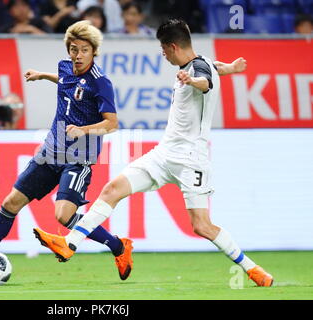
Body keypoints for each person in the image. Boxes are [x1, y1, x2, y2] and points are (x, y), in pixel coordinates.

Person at [33, 19, 274, 287]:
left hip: (191, 161)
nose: (162, 53)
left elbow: (205, 81)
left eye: (163, 48)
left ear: (172, 46)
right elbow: (214, 68)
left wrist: (192, 81)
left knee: (202, 226)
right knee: (112, 189)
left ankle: (253, 269)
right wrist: (230, 68)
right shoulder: (201, 61)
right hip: (163, 155)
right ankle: (70, 244)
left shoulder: (196, 70)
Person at [0, 20, 134, 282]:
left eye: (84, 50)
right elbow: (68, 83)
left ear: (94, 51)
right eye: (73, 49)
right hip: (50, 152)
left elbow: (112, 124)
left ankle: (118, 246)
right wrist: (44, 75)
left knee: (63, 215)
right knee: (10, 203)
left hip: (78, 159)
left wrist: (83, 131)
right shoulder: (65, 68)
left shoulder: (101, 82)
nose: (78, 55)